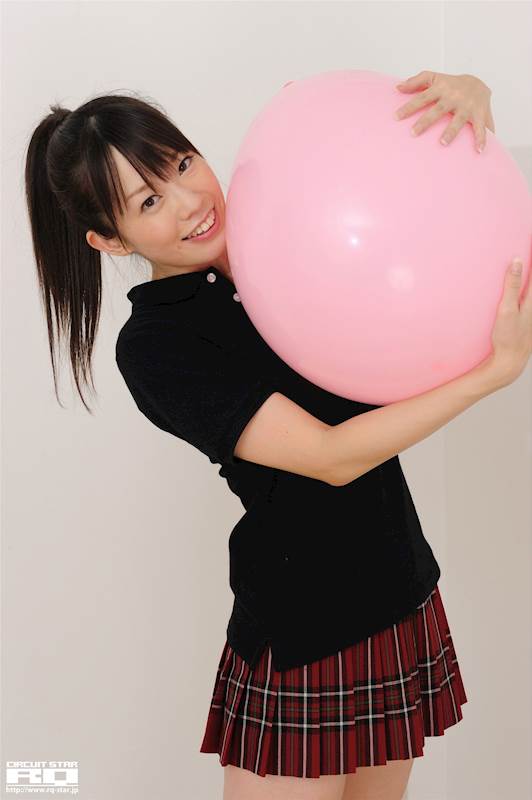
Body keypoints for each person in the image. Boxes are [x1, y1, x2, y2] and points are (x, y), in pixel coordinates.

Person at [24, 91, 531, 800]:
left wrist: (466, 92)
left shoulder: (296, 234)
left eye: (181, 164)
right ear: (110, 241)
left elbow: (407, 195)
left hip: (398, 588)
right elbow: (331, 456)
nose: (189, 202)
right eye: (148, 202)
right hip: (303, 627)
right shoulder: (159, 345)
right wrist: (490, 376)